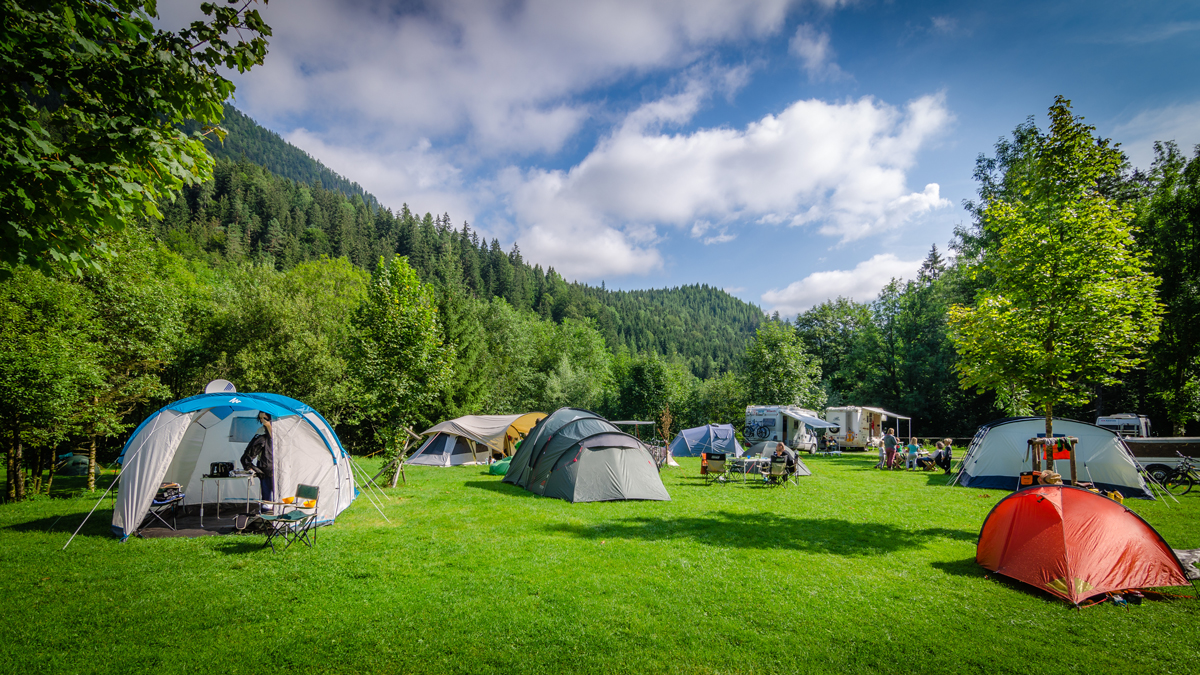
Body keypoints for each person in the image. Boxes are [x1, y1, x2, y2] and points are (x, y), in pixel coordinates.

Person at [240, 411, 274, 512]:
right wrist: (248, 464)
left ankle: (276, 515)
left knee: (276, 492)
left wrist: (269, 426)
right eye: (260, 418)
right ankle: (266, 515)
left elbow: (274, 441)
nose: (262, 420)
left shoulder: (277, 430)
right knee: (266, 493)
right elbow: (252, 450)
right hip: (265, 467)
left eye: (265, 418)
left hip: (275, 466)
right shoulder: (261, 431)